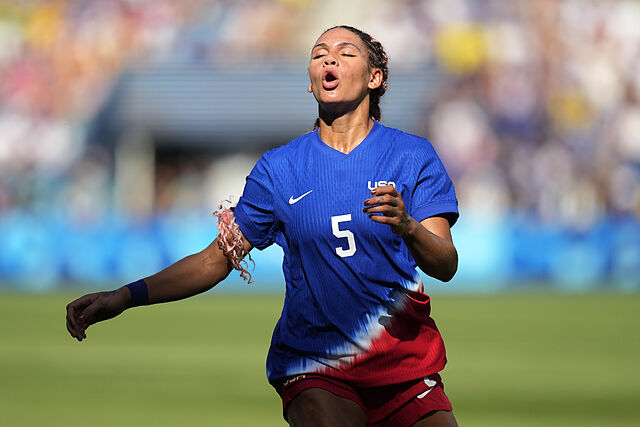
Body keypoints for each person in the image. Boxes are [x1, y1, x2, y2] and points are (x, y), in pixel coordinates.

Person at [66, 25, 460, 427]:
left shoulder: (412, 156)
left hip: (404, 365)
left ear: (374, 78)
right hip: (314, 363)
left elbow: (446, 265)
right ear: (310, 82)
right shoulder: (279, 170)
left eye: (345, 52)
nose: (329, 59)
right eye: (319, 52)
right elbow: (213, 261)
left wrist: (408, 226)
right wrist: (126, 296)